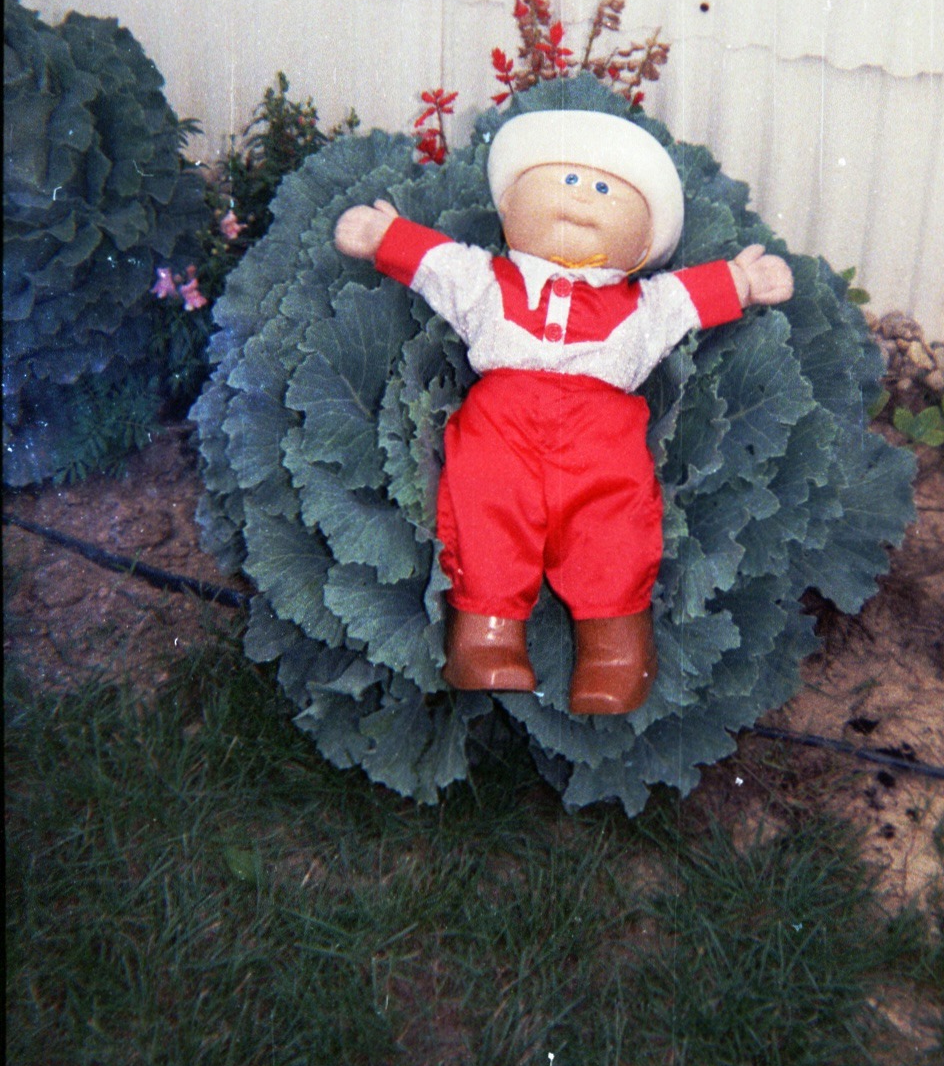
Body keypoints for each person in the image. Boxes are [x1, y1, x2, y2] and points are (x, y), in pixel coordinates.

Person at [334, 108, 794, 714]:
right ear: (510, 209)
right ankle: (486, 637)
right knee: (485, 512)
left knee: (613, 526)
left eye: (606, 190)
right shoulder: (485, 279)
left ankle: (615, 650)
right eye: (567, 180)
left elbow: (690, 298)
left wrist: (742, 279)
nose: (582, 200)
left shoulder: (647, 304)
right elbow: (437, 264)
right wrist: (386, 238)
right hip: (501, 428)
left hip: (602, 442)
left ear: (645, 243)